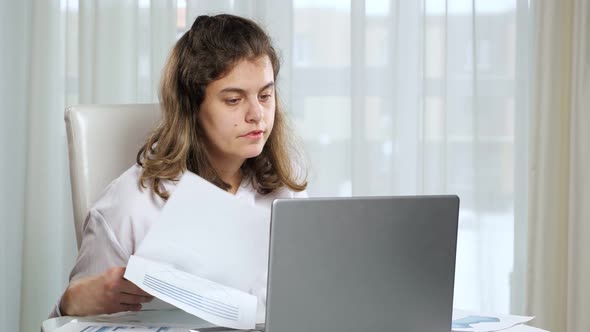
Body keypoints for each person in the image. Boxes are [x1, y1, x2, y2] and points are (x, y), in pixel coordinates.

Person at [50, 14, 308, 318]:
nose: (257, 114)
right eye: (234, 100)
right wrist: (70, 303)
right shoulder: (131, 207)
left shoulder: (284, 194)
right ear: (192, 108)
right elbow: (74, 320)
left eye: (265, 95)